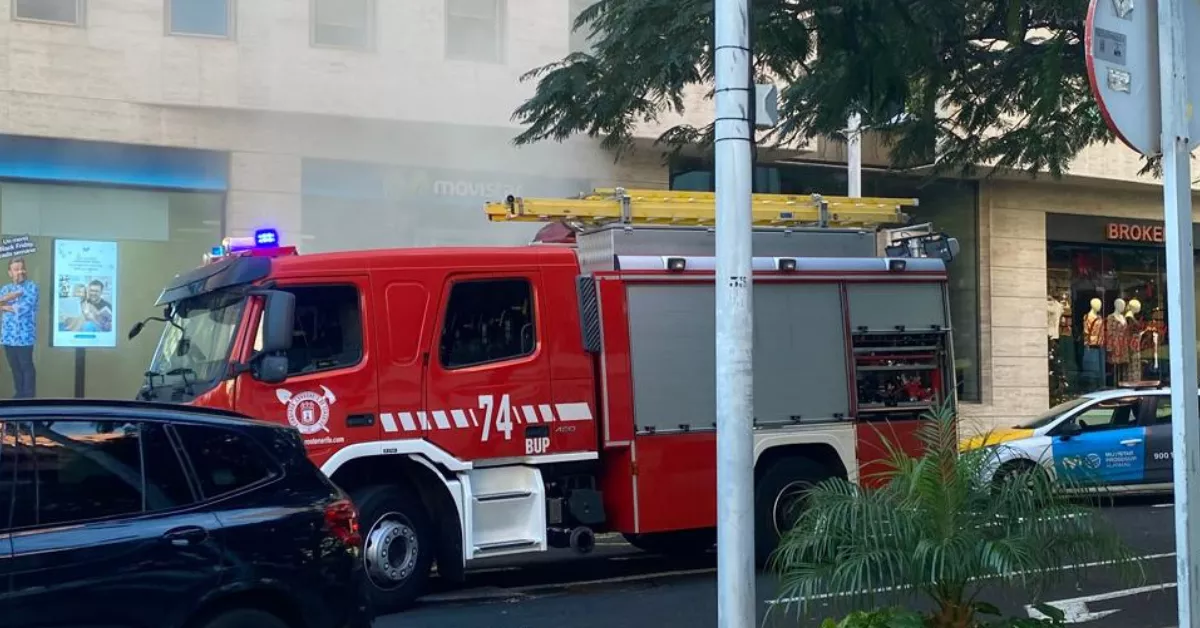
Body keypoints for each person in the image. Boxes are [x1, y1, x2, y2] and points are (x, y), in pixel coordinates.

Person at [0, 257, 39, 398]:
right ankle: (19, 395)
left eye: (22, 268)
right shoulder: (6, 289)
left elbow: (23, 308)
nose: (20, 272)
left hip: (24, 336)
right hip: (8, 336)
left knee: (26, 366)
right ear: (10, 273)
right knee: (15, 368)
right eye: (16, 269)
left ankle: (28, 397)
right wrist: (11, 295)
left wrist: (4, 304)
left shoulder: (32, 287)